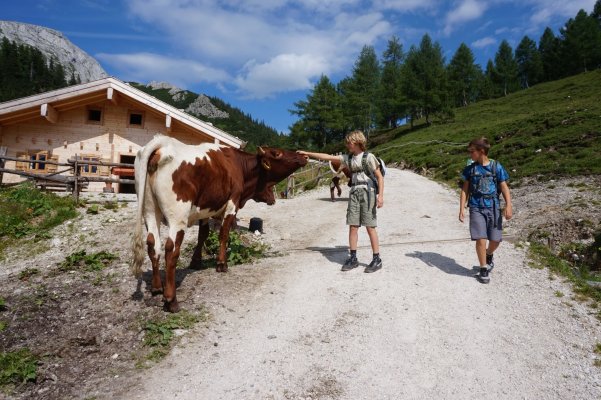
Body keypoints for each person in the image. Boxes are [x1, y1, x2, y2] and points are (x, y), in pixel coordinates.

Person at [298, 130, 384, 273]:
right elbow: (327, 157)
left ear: (357, 142)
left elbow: (379, 177)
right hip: (354, 193)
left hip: (368, 193)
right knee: (353, 226)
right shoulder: (347, 158)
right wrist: (308, 153)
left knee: (370, 227)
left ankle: (376, 259)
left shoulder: (369, 157)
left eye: (349, 142)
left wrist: (380, 196)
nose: (347, 144)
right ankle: (353, 258)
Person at [459, 137, 513, 284]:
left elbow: (504, 187)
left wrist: (508, 205)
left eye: (472, 151)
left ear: (481, 151)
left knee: (495, 239)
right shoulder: (470, 169)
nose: (470, 154)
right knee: (480, 238)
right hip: (476, 206)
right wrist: (462, 208)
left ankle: (489, 254)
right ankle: (483, 268)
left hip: (494, 207)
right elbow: (465, 190)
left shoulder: (496, 167)